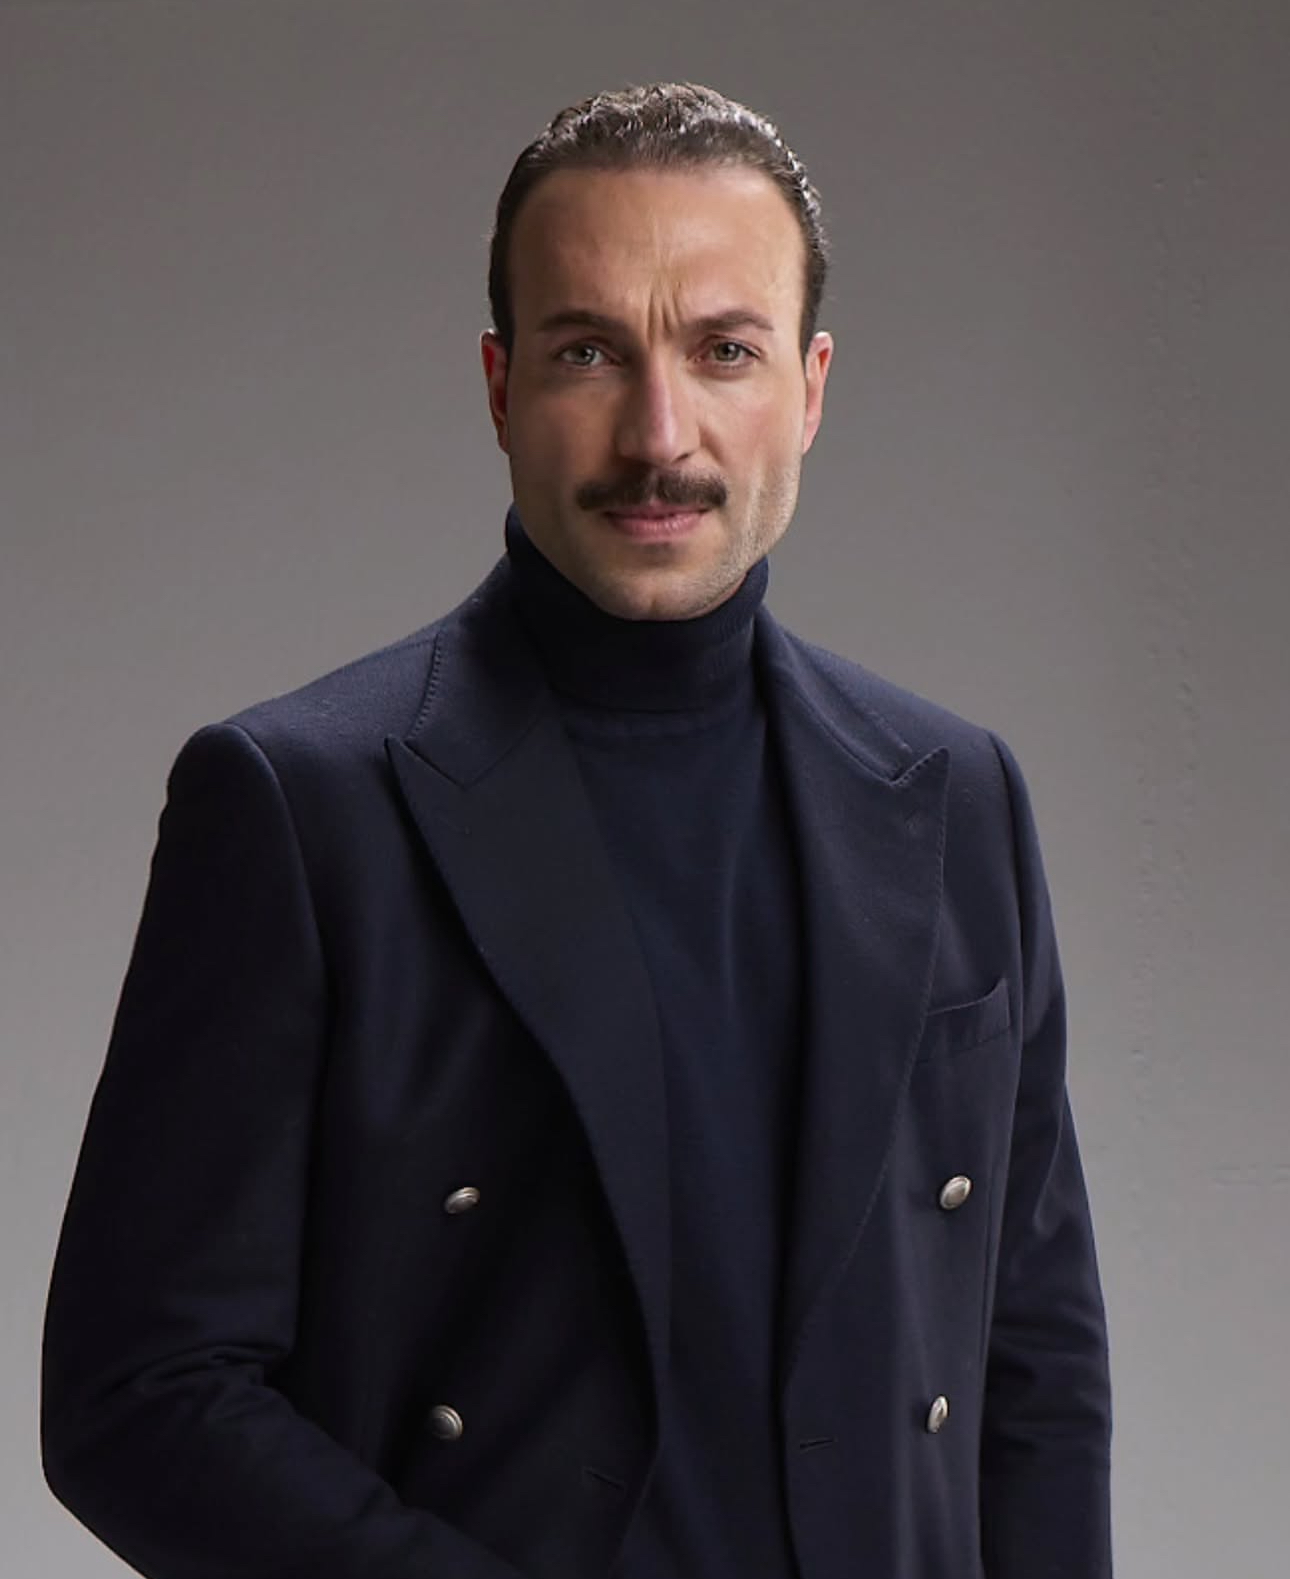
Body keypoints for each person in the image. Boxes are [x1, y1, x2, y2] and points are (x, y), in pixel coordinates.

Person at [41, 81, 1112, 1579]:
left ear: (809, 388)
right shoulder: (297, 804)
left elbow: (1033, 1362)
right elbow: (137, 1393)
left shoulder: (959, 794)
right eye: (589, 352)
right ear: (499, 387)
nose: (657, 435)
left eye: (723, 351)